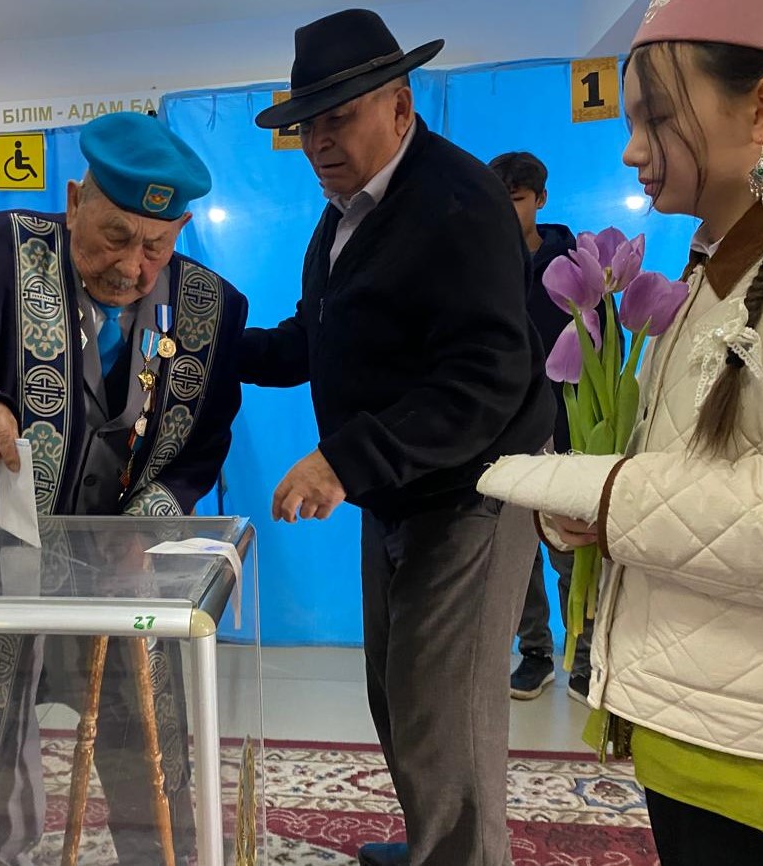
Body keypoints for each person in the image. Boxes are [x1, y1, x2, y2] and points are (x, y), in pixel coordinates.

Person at [478, 1, 763, 862]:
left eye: (656, 119)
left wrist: (613, 497)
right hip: (695, 727)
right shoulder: (710, 267)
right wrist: (593, 512)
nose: (631, 150)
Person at [245, 10, 554, 866]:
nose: (318, 142)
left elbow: (485, 376)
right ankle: (434, 846)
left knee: (442, 714)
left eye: (338, 119)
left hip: (470, 495)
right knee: (399, 691)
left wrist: (343, 460)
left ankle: (459, 856)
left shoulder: (459, 202)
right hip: (398, 495)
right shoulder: (347, 212)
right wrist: (217, 351)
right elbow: (322, 337)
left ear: (401, 105)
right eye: (307, 125)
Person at [0, 111, 248, 864]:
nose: (132, 267)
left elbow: (204, 442)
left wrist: (151, 520)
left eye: (155, 246)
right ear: (73, 202)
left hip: (129, 570)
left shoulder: (213, 306)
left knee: (141, 735)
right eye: (115, 237)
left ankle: (154, 855)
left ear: (182, 230)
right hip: (8, 552)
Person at [488, 151, 594, 703]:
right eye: (498, 200)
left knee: (569, 544)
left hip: (567, 428)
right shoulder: (481, 263)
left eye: (517, 199)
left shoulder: (576, 265)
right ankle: (535, 653)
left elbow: (603, 347)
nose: (508, 211)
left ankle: (585, 654)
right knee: (518, 551)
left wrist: (593, 427)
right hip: (506, 433)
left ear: (541, 199)